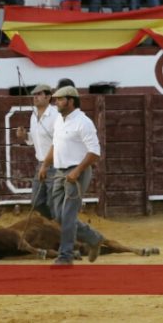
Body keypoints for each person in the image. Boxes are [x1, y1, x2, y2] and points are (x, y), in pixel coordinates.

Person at [38, 86, 105, 265]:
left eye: (60, 99)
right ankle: (94, 237)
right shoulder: (60, 121)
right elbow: (55, 145)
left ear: (71, 101)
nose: (56, 102)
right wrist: (45, 165)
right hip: (60, 172)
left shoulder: (83, 122)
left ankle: (65, 255)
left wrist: (77, 170)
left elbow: (95, 152)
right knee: (59, 215)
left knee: (67, 215)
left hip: (77, 173)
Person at [16, 84, 59, 220]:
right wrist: (24, 136)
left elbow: (59, 142)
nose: (35, 96)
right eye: (34, 94)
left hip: (56, 164)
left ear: (48, 97)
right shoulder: (33, 116)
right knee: (36, 202)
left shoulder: (56, 115)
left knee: (54, 202)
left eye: (39, 94)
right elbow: (34, 140)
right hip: (40, 164)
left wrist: (46, 165)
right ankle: (52, 225)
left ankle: (58, 228)